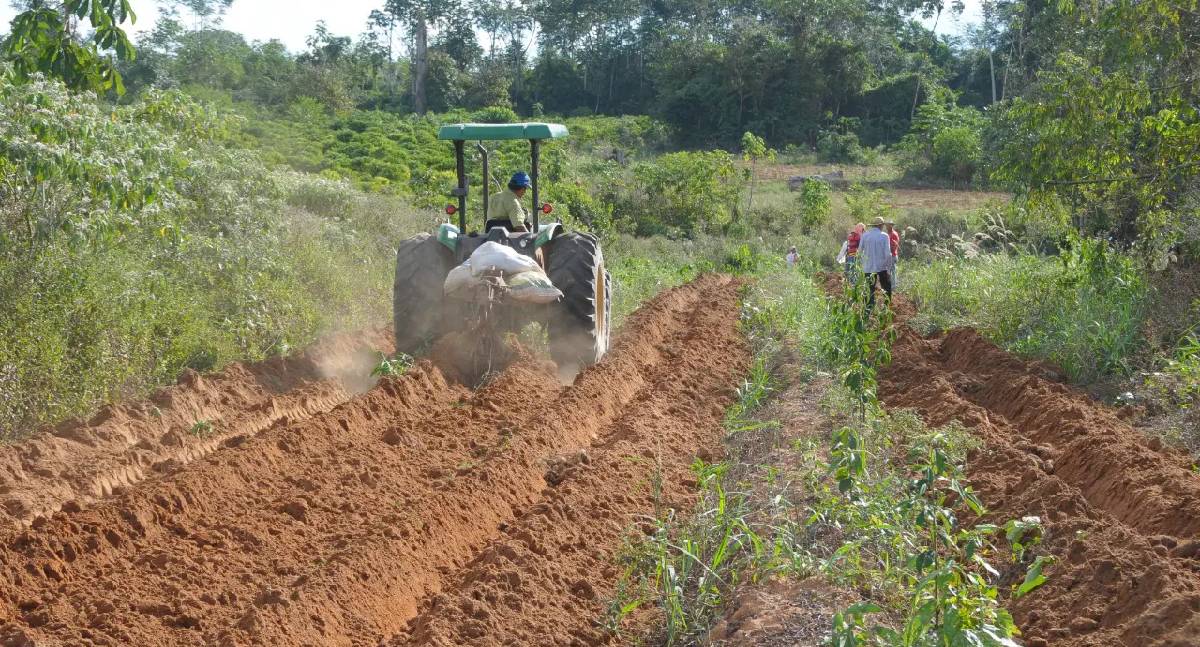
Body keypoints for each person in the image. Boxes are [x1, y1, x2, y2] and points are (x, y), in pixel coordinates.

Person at [859, 216, 894, 313]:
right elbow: (888, 255)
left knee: (869, 289)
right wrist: (888, 269)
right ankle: (885, 309)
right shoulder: (884, 236)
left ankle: (868, 310)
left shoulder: (865, 235)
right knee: (886, 288)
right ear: (881, 225)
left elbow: (859, 251)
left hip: (867, 268)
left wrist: (862, 264)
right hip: (881, 267)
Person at [886, 222, 900, 290]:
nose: (886, 227)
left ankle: (893, 286)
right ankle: (891, 285)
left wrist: (888, 251)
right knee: (890, 271)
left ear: (891, 226)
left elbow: (894, 245)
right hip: (890, 255)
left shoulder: (893, 234)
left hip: (893, 255)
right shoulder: (889, 234)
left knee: (892, 271)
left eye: (888, 225)